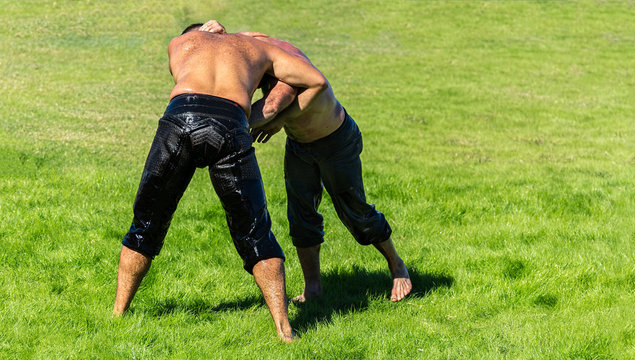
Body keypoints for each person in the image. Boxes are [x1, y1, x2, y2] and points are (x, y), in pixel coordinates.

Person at [112, 22, 328, 343]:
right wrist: (270, 117)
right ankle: (285, 329)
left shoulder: (180, 43)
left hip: (180, 119)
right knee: (255, 230)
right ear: (222, 32)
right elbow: (316, 81)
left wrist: (205, 32)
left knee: (147, 222)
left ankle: (117, 314)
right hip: (230, 123)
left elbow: (200, 45)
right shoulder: (258, 48)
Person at [195, 20, 412, 303]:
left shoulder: (285, 69)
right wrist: (207, 35)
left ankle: (397, 266)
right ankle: (313, 288)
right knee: (301, 216)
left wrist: (216, 119)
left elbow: (270, 107)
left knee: (355, 212)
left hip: (335, 141)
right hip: (300, 145)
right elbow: (224, 38)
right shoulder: (249, 43)